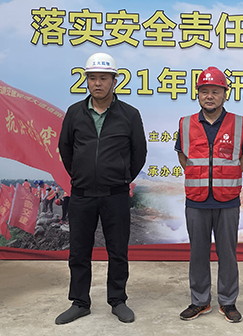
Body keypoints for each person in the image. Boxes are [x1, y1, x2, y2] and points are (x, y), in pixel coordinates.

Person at [56, 52, 147, 325]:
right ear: (86, 80)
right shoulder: (74, 113)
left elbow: (139, 153)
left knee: (117, 251)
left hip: (115, 195)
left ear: (114, 81)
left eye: (104, 78)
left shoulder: (129, 115)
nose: (98, 83)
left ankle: (118, 300)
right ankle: (80, 302)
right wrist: (81, 175)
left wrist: (120, 177)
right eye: (92, 77)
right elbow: (65, 149)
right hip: (82, 195)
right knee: (78, 252)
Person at [175, 67, 243, 323]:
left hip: (227, 200)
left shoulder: (238, 123)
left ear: (224, 94)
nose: (210, 96)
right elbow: (183, 156)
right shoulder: (186, 123)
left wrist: (225, 176)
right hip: (196, 200)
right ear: (198, 94)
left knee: (227, 253)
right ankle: (200, 301)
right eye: (204, 91)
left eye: (215, 92)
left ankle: (228, 302)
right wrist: (201, 176)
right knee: (198, 253)